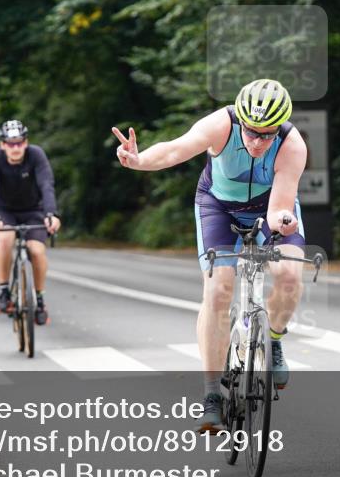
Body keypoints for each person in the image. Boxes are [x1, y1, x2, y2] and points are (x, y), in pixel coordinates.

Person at [112, 79, 307, 433]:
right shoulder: (221, 124)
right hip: (219, 208)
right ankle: (211, 394)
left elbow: (281, 203)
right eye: (251, 132)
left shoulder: (292, 145)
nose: (257, 141)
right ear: (241, 122)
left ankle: (274, 341)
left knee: (291, 276)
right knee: (218, 291)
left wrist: (282, 221)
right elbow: (174, 150)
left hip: (271, 209)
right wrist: (139, 161)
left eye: (267, 134)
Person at [0, 120, 61, 325]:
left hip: (33, 210)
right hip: (5, 211)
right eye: (10, 143)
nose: (15, 148)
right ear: (2, 145)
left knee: (36, 251)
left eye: (19, 143)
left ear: (26, 143)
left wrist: (51, 214)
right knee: (5, 238)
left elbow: (46, 184)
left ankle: (40, 300)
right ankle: (4, 291)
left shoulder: (36, 155)